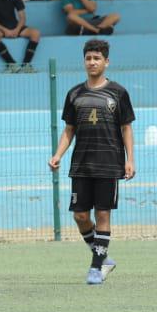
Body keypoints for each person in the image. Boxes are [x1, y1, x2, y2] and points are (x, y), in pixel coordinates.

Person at [48, 40, 136, 285]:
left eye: (97, 58)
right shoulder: (74, 94)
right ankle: (103, 257)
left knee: (103, 214)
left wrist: (130, 160)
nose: (92, 62)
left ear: (106, 62)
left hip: (109, 163)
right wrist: (57, 155)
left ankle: (96, 267)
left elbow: (126, 128)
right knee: (80, 216)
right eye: (88, 58)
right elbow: (69, 130)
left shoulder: (118, 93)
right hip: (81, 164)